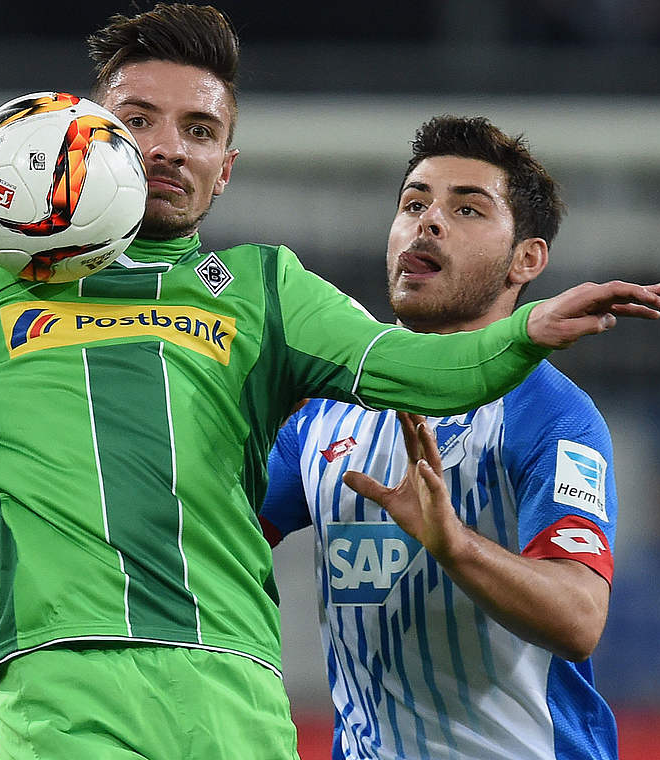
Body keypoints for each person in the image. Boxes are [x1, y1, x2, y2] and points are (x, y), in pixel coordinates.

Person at [0, 5, 660, 759]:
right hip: (67, 682)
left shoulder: (264, 288)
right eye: (141, 119)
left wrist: (524, 333)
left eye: (201, 131)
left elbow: (414, 367)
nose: (170, 149)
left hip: (236, 689)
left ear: (227, 165)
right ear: (87, 124)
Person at [261, 115, 626, 759]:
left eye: (468, 209)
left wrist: (455, 546)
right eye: (414, 203)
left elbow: (579, 618)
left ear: (527, 258)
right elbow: (211, 542)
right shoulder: (324, 414)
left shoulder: (550, 414)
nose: (428, 222)